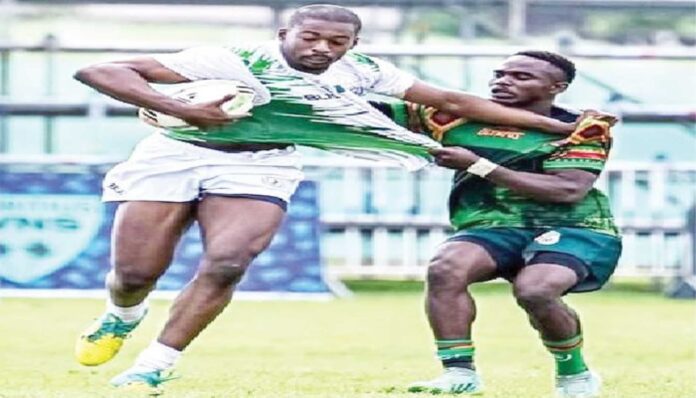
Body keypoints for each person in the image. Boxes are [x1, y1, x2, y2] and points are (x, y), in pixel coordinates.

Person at [72, 4, 580, 394]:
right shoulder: (230, 60)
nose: (321, 48)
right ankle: (123, 315)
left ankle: (153, 368)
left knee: (228, 262)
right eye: (309, 36)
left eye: (337, 41)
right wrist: (178, 107)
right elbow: (100, 72)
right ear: (284, 35)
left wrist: (553, 124)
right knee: (135, 274)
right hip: (176, 153)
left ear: (352, 44)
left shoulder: (360, 70)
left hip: (263, 163)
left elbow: (451, 102)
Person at [394, 51, 621, 398]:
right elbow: (360, 113)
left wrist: (480, 166)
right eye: (500, 74)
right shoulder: (452, 118)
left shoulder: (582, 128)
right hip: (492, 225)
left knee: (535, 290)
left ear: (556, 87)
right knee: (445, 267)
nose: (503, 81)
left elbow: (567, 189)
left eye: (521, 77)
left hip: (575, 226)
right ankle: (459, 375)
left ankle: (574, 375)